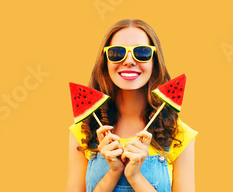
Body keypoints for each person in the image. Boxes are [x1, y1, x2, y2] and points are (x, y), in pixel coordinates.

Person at [66, 19, 198, 192]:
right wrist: (113, 172)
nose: (129, 61)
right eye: (117, 53)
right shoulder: (83, 130)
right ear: (105, 62)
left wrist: (135, 177)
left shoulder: (179, 134)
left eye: (142, 52)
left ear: (154, 62)